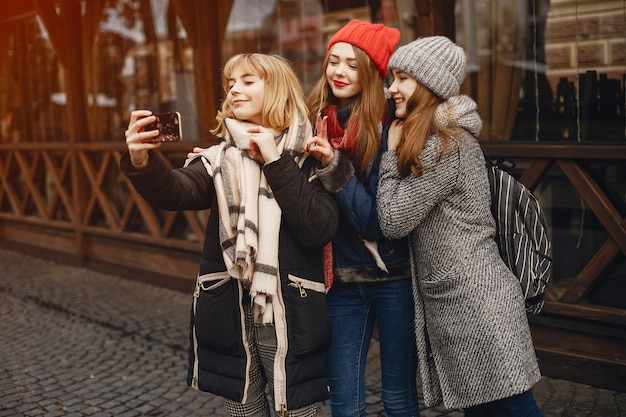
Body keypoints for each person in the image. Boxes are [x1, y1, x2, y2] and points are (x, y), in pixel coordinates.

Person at [120, 53, 339, 417]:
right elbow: (177, 191)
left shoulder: (311, 156)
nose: (234, 89)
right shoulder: (217, 158)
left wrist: (275, 160)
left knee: (297, 413)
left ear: (277, 91)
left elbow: (318, 228)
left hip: (290, 313)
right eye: (231, 83)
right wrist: (142, 162)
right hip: (229, 310)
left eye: (248, 81)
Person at [376, 36, 544, 417]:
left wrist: (389, 156)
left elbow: (393, 219)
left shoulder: (444, 144)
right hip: (462, 301)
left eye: (402, 78)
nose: (391, 89)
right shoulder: (435, 139)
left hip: (476, 304)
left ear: (429, 83)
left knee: (514, 406)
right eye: (392, 78)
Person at [303, 20, 420, 417]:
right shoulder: (314, 120)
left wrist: (335, 167)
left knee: (399, 396)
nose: (338, 71)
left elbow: (376, 222)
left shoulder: (390, 129)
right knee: (344, 401)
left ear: (372, 73)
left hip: (395, 278)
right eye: (333, 61)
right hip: (340, 283)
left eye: (352, 65)